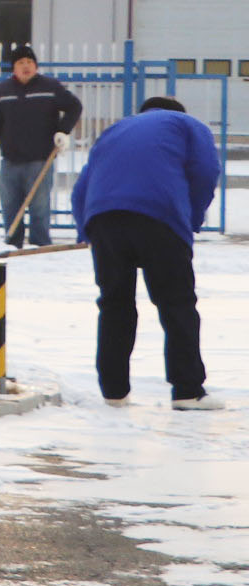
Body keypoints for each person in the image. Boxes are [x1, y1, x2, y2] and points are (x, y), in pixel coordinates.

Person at [70, 95, 222, 409]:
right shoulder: (188, 125)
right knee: (176, 303)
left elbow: (82, 186)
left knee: (114, 303)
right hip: (159, 215)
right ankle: (187, 391)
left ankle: (113, 392)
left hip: (104, 217)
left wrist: (86, 230)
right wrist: (191, 218)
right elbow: (206, 172)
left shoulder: (115, 130)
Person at [0, 47, 82, 247]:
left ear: (35, 66)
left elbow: (74, 106)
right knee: (9, 206)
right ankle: (12, 244)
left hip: (40, 160)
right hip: (10, 161)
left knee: (39, 208)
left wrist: (63, 131)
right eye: (20, 63)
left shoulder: (50, 87)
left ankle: (39, 245)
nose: (26, 66)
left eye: (29, 62)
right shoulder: (3, 91)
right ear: (13, 68)